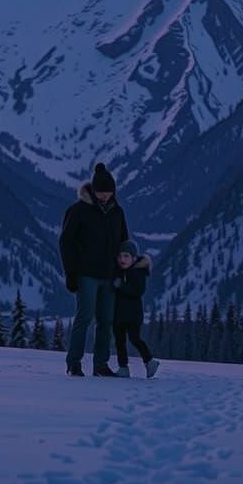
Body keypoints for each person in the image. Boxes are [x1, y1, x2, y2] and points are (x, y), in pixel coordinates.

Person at [59, 162, 127, 377]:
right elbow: (66, 242)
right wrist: (70, 273)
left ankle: (101, 364)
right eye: (100, 192)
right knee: (84, 317)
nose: (104, 197)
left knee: (106, 321)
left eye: (108, 193)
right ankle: (74, 363)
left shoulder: (117, 212)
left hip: (109, 275)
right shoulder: (79, 210)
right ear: (93, 190)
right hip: (86, 274)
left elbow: (124, 242)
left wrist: (122, 271)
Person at [113, 240, 160, 379]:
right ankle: (123, 368)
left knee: (135, 338)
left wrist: (120, 286)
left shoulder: (138, 272)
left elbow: (137, 291)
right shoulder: (120, 272)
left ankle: (150, 361)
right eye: (120, 256)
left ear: (134, 258)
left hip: (133, 315)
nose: (122, 259)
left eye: (126, 256)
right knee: (119, 341)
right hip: (118, 314)